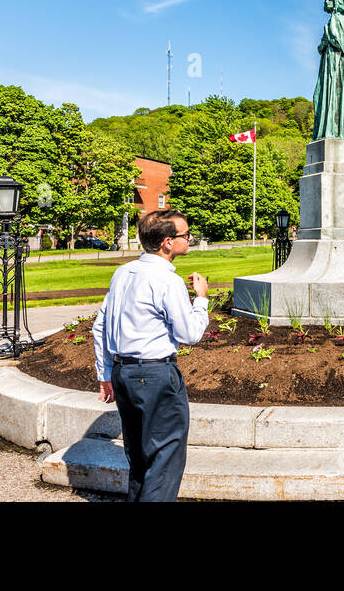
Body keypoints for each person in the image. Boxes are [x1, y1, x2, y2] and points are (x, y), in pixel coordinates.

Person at [93, 209, 208, 501]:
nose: (189, 238)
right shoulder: (167, 280)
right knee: (164, 461)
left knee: (140, 460)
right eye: (185, 235)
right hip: (156, 376)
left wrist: (105, 374)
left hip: (123, 373)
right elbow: (190, 334)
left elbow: (101, 326)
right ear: (168, 243)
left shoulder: (123, 273)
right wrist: (201, 300)